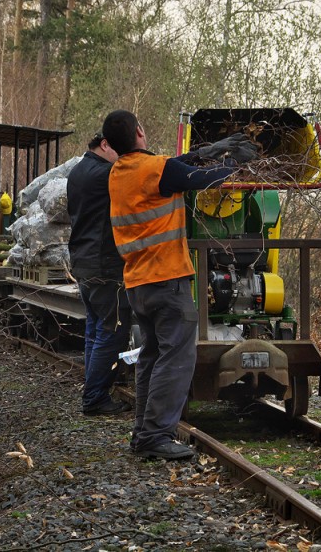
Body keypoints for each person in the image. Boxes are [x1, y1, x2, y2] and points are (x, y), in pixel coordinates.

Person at [102, 109, 247, 460]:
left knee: (151, 357)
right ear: (140, 131)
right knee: (177, 359)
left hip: (139, 282)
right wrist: (236, 166)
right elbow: (198, 179)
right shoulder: (155, 170)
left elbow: (175, 167)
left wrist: (211, 149)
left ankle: (143, 433)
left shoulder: (120, 172)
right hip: (167, 280)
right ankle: (156, 436)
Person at [67, 132, 134, 416]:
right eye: (119, 151)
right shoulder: (105, 174)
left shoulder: (78, 171)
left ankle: (93, 390)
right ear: (105, 144)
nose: (122, 158)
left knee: (95, 330)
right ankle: (94, 397)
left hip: (83, 264)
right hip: (105, 267)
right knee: (113, 331)